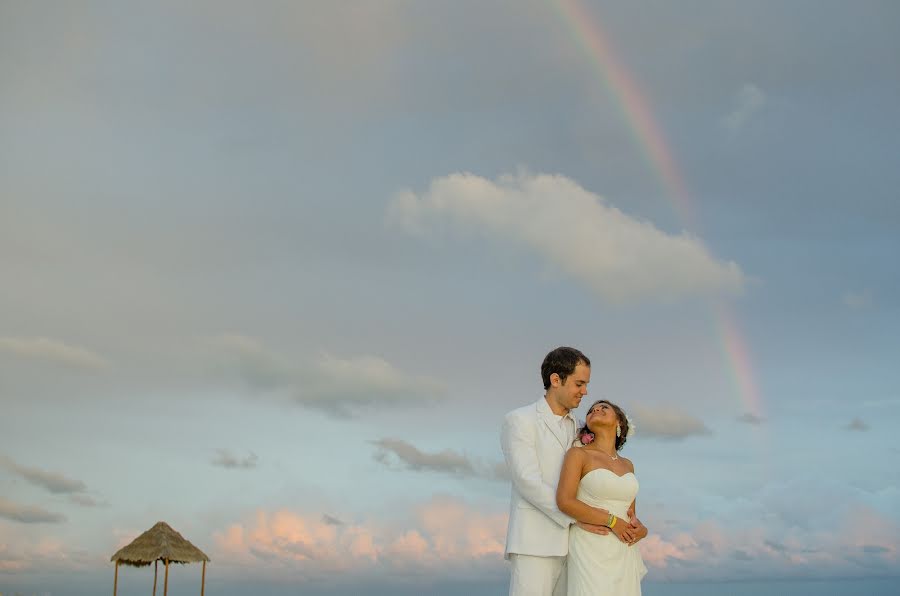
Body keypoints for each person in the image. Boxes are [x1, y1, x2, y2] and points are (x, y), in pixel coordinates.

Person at [501, 347, 615, 596]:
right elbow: (527, 481)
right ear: (555, 380)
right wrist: (577, 517)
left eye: (586, 384)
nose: (585, 391)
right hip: (534, 543)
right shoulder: (520, 420)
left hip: (578, 547)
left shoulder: (580, 427)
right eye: (579, 383)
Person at [557, 399, 649, 595]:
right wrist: (612, 521)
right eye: (591, 410)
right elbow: (565, 501)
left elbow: (631, 513)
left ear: (620, 423)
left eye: (604, 407)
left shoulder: (628, 465)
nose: (596, 409)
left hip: (623, 549)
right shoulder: (578, 454)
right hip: (590, 544)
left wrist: (641, 530)